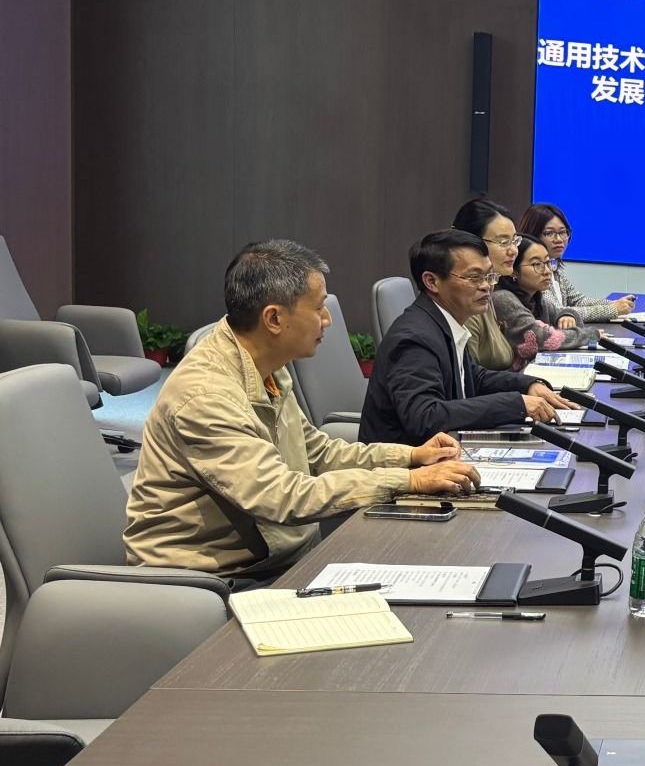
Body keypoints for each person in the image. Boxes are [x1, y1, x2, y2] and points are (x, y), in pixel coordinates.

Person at [123, 240, 481, 580]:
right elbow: (282, 496)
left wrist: (410, 457)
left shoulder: (266, 362)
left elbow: (316, 452)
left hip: (281, 557)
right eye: (318, 308)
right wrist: (408, 481)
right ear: (274, 319)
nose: (328, 319)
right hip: (218, 579)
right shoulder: (206, 396)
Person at [359, 229, 575, 445]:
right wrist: (515, 405)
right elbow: (426, 417)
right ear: (432, 281)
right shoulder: (414, 339)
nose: (486, 286)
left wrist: (528, 385)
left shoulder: (444, 321)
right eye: (474, 277)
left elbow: (474, 378)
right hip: (410, 461)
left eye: (489, 276)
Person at [495, 235, 601, 370]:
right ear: (514, 270)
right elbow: (541, 338)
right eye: (536, 264)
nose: (547, 271)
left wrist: (567, 315)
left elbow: (561, 312)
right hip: (509, 378)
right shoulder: (503, 298)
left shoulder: (535, 298)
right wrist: (591, 334)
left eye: (547, 262)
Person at [520, 202, 633, 324]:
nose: (559, 239)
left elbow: (578, 300)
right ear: (532, 235)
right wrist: (612, 309)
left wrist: (615, 303)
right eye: (549, 233)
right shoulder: (534, 274)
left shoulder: (554, 268)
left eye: (563, 232)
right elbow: (558, 312)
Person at [451, 197, 521, 371]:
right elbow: (470, 379)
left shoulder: (489, 286)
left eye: (515, 241)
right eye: (503, 242)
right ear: (471, 242)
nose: (513, 250)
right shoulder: (466, 302)